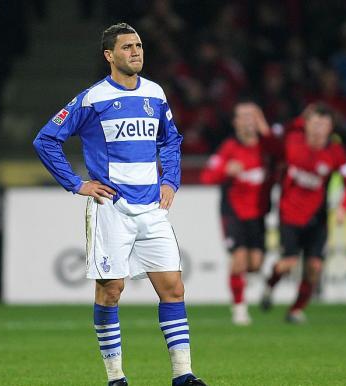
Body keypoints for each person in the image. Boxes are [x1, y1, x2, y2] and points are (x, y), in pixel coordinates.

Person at [33, 23, 207, 386]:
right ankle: (116, 378)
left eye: (139, 45)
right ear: (110, 56)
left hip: (153, 210)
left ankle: (183, 374)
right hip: (112, 209)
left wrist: (170, 180)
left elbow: (171, 140)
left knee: (174, 288)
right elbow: (47, 139)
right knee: (111, 291)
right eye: (127, 47)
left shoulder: (156, 94)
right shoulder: (93, 98)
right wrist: (76, 184)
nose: (136, 51)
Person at [261, 103, 346, 323]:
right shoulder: (293, 140)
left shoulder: (336, 152)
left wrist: (344, 208)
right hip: (289, 214)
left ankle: (295, 310)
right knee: (289, 263)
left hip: (318, 218)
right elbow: (276, 135)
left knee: (315, 267)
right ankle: (269, 287)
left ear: (331, 128)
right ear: (306, 124)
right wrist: (299, 118)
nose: (317, 128)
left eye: (323, 124)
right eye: (314, 122)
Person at [200, 101, 276, 325]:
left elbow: (283, 156)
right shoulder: (229, 148)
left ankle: (241, 282)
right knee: (240, 260)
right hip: (232, 212)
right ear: (235, 122)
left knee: (256, 264)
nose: (247, 121)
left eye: (252, 116)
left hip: (259, 214)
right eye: (242, 116)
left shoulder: (267, 149)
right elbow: (207, 176)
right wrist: (226, 171)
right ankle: (240, 309)